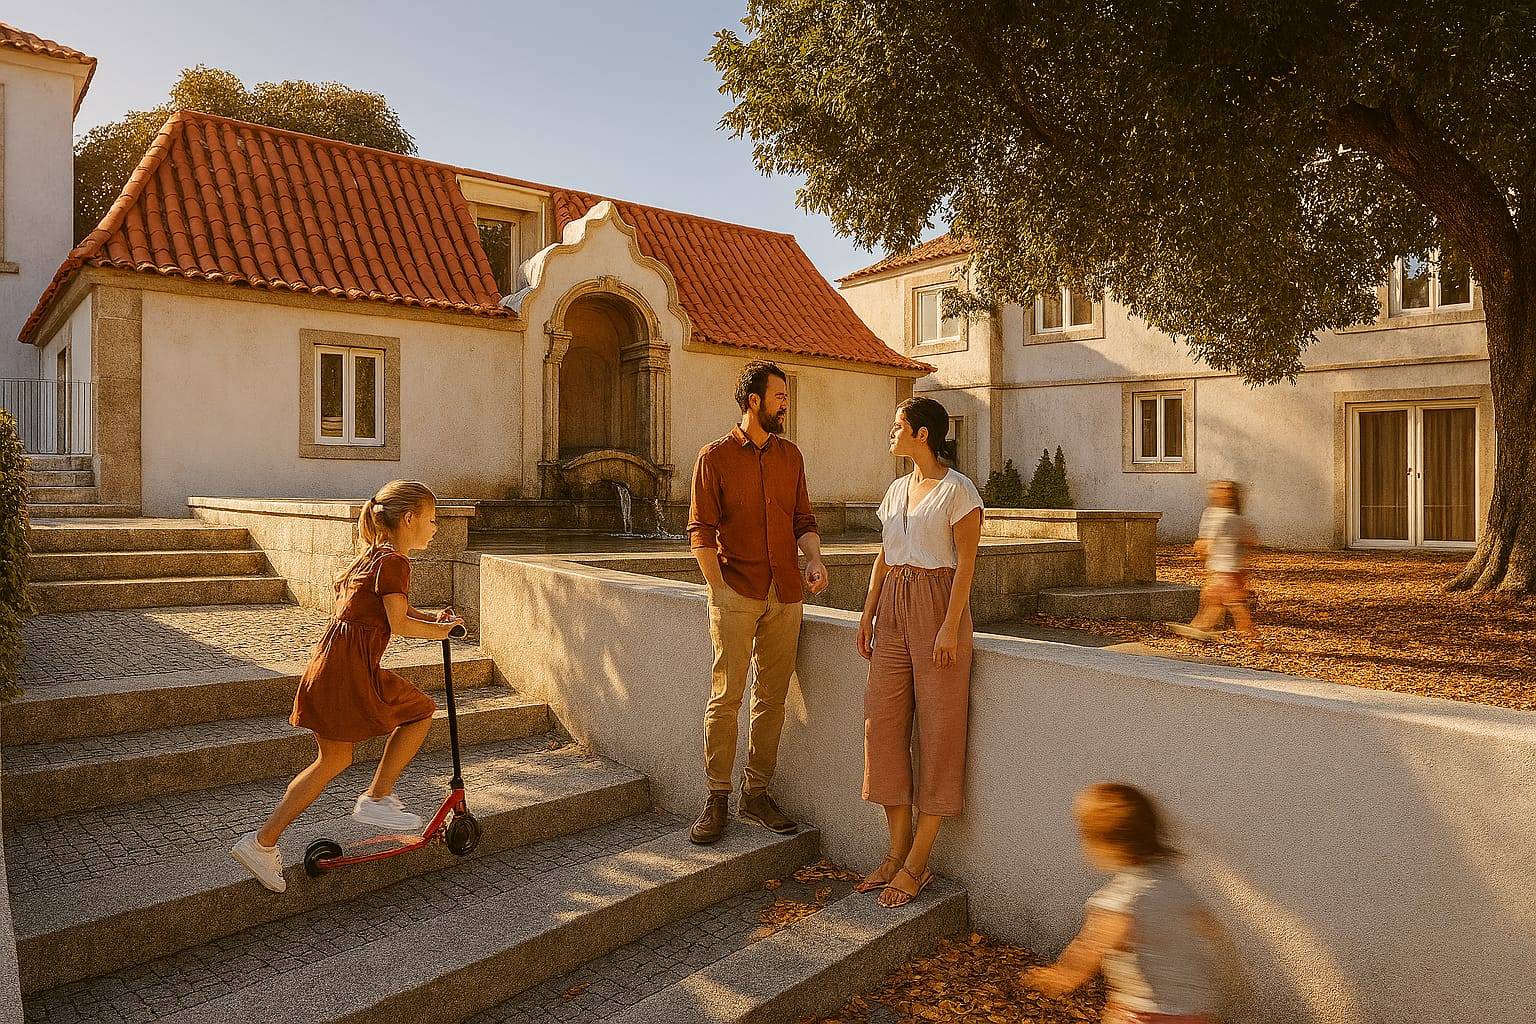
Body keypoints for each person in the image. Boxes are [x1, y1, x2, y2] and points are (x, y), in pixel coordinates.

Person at [230, 481, 464, 892]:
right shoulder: (394, 563)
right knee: (420, 710)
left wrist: (437, 620)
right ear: (408, 518)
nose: (435, 528)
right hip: (350, 672)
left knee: (332, 760)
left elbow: (397, 609)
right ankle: (377, 797)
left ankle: (262, 843)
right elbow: (400, 624)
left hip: (332, 668)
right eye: (431, 519)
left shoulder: (373, 558)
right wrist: (442, 633)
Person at [687, 361, 829, 845]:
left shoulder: (792, 456)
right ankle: (717, 796)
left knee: (771, 699)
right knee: (726, 698)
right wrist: (718, 590)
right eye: (779, 396)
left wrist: (813, 561)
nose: (785, 404)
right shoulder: (714, 457)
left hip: (786, 593)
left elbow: (804, 520)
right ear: (754, 401)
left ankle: (757, 792)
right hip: (736, 592)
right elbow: (700, 533)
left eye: (786, 396)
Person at [855, 396, 982, 908]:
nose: (891, 433)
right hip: (893, 608)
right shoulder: (895, 489)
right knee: (882, 724)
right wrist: (867, 613)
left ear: (922, 434)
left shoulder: (959, 492)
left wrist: (950, 628)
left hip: (938, 608)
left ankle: (917, 862)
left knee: (939, 729)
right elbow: (885, 554)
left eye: (897, 426)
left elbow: (966, 566)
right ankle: (894, 850)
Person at [1019, 783, 1222, 1024]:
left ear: (1102, 844)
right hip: (1195, 1015)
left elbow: (1092, 947)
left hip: (1145, 1014)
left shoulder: (1121, 900)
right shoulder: (1175, 885)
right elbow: (1208, 932)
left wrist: (1062, 976)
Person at [1168, 480, 1259, 647]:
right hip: (1224, 567)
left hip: (1227, 567)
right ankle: (1200, 628)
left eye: (1225, 490)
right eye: (1220, 489)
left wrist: (1203, 552)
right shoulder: (1227, 516)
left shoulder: (1223, 516)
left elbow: (1205, 544)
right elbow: (1250, 541)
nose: (1222, 492)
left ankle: (1250, 638)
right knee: (1215, 601)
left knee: (1233, 604)